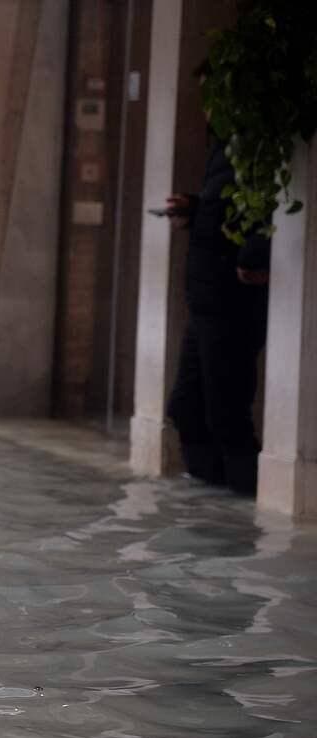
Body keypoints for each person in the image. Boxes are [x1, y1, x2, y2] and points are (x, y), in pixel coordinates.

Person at [163, 136, 270, 496]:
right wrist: (195, 209)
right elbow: (228, 208)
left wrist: (256, 254)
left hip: (231, 299)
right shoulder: (224, 144)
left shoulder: (258, 138)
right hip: (204, 297)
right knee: (185, 406)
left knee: (226, 415)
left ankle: (247, 498)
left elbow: (270, 206)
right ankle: (210, 500)